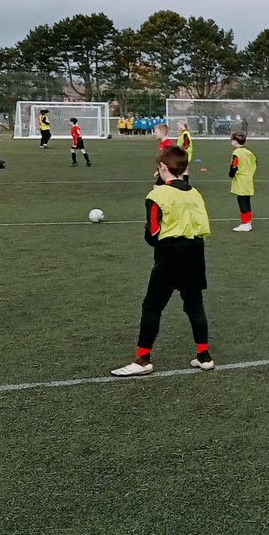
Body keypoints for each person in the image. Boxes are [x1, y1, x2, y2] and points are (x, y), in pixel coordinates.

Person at [111, 145, 213, 377]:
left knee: (152, 307)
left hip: (170, 255)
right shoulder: (194, 193)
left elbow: (153, 234)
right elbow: (179, 195)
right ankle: (204, 356)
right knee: (194, 305)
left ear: (162, 168)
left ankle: (142, 359)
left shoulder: (156, 195)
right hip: (196, 253)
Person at [229, 131, 257, 232]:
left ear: (235, 142)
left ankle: (245, 223)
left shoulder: (236, 153)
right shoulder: (249, 152)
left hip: (241, 180)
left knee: (242, 202)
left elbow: (234, 165)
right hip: (248, 179)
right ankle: (248, 223)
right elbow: (255, 163)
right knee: (246, 201)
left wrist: (231, 174)